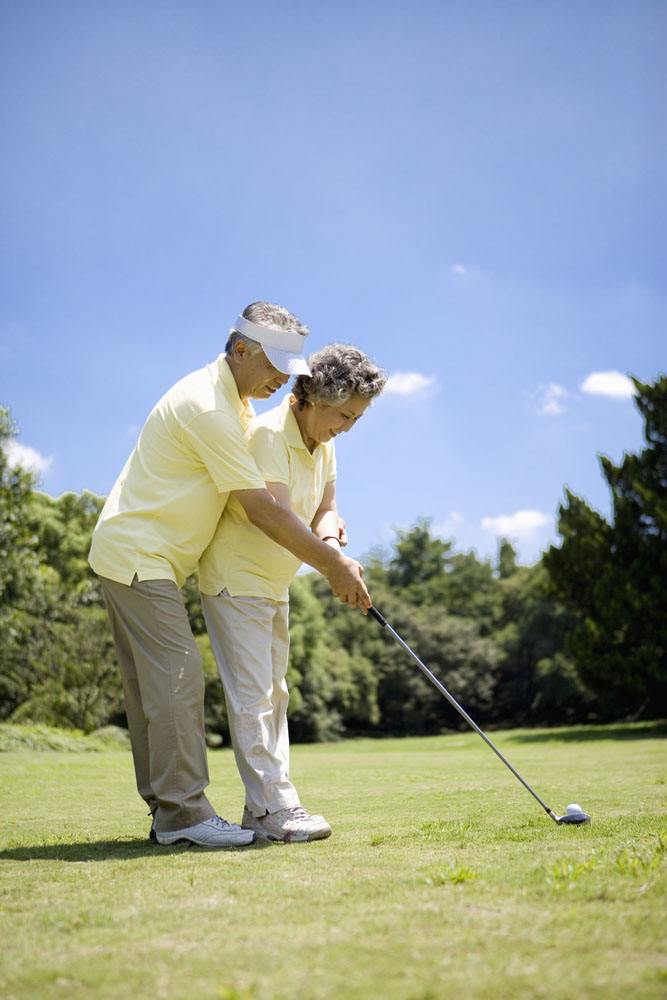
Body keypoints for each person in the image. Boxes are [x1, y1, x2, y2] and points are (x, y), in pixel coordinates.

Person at [88, 303, 371, 849]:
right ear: (240, 349)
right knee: (177, 677)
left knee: (154, 688)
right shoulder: (209, 408)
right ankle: (183, 815)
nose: (284, 379)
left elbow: (310, 503)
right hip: (140, 552)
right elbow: (263, 510)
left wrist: (331, 545)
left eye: (290, 368)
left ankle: (169, 813)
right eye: (274, 364)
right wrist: (333, 563)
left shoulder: (234, 402)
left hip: (156, 557)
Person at [198, 344, 386, 843]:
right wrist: (334, 567)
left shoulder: (325, 443)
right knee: (254, 697)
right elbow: (275, 515)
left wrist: (332, 545)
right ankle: (275, 809)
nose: (347, 427)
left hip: (274, 583)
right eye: (344, 415)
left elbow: (327, 506)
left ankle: (262, 808)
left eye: (356, 418)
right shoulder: (264, 435)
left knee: (275, 695)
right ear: (311, 397)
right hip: (235, 579)